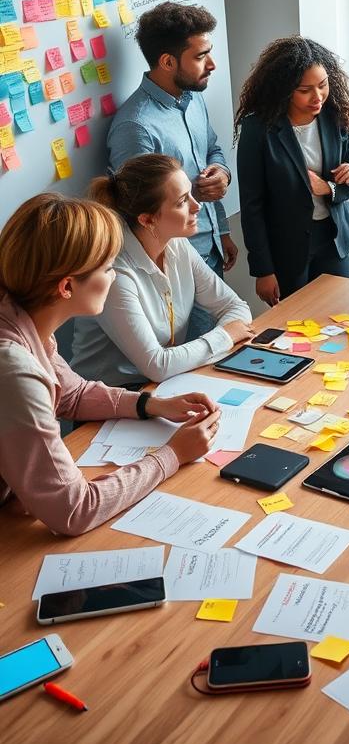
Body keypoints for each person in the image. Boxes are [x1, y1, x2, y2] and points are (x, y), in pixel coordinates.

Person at [0, 194, 220, 537]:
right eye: (107, 269)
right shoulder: (13, 367)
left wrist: (151, 404)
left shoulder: (20, 314)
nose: (114, 277)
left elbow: (71, 395)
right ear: (67, 287)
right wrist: (173, 454)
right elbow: (75, 510)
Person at [72, 155, 253, 388]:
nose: (197, 206)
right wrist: (226, 336)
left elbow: (236, 307)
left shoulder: (176, 244)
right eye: (181, 202)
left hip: (163, 384)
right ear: (147, 220)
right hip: (112, 399)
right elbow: (157, 365)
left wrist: (223, 338)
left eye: (191, 194)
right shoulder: (113, 272)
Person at [107, 2, 237, 295]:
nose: (212, 64)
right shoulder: (135, 127)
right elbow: (137, 209)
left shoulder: (193, 98)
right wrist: (194, 191)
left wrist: (223, 176)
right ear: (167, 62)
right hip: (175, 267)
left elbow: (212, 150)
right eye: (201, 56)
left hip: (211, 246)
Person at [235, 37, 349, 305]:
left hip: (333, 241)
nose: (318, 96)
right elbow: (252, 205)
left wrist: (339, 182)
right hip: (286, 249)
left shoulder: (336, 117)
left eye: (323, 85)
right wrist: (263, 269)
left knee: (337, 321)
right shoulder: (258, 129)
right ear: (284, 90)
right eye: (305, 90)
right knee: (294, 330)